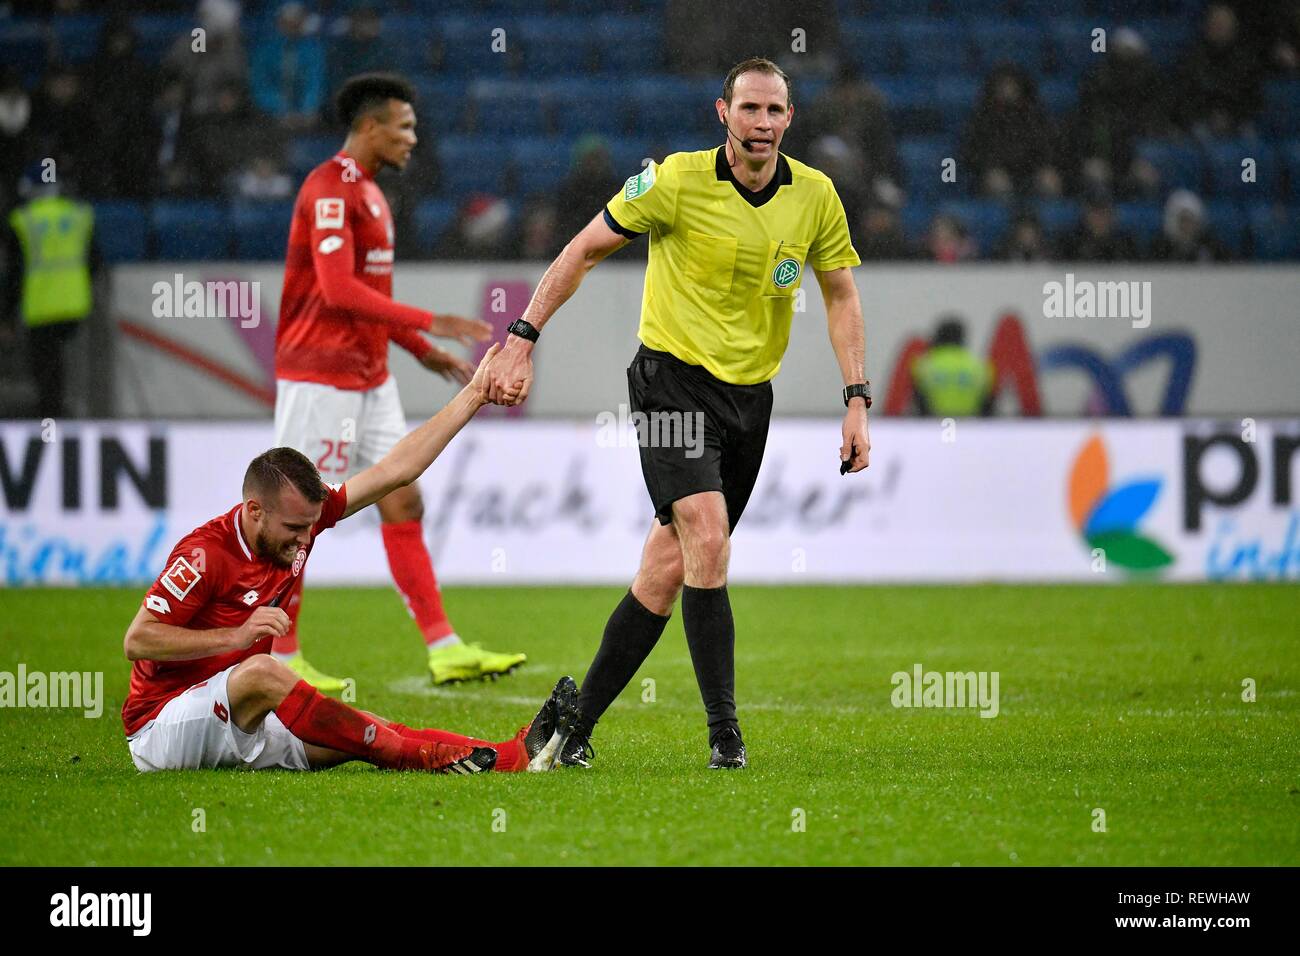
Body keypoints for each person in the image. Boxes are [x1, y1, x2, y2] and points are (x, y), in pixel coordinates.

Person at [488, 58, 870, 770]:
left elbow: (842, 296)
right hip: (668, 384)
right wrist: (522, 336)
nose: (761, 124)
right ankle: (725, 734)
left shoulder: (816, 196)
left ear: (790, 119)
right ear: (721, 112)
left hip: (750, 400)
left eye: (774, 111)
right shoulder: (672, 180)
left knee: (668, 568)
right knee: (706, 529)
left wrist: (856, 399)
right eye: (748, 109)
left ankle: (572, 725)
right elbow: (582, 250)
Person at [122, 347, 581, 774]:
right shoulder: (204, 555)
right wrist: (238, 635)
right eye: (294, 529)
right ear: (254, 511)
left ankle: (514, 756)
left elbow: (396, 470)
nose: (304, 540)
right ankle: (438, 758)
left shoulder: (303, 521)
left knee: (373, 728)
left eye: (311, 527)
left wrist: (475, 395)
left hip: (241, 716)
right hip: (164, 726)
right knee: (266, 672)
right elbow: (139, 639)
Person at [273, 72, 525, 687]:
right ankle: (281, 658)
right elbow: (335, 290)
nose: (414, 138)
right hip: (320, 378)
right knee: (297, 515)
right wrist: (427, 319)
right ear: (369, 125)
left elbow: (366, 298)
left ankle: (444, 647)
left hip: (370, 376)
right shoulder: (328, 188)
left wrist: (419, 348)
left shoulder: (376, 197)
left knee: (405, 496)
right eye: (404, 126)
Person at [3, 167, 97, 418]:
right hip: (75, 303)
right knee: (69, 365)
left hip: (41, 304)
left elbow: (15, 273)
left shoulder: (23, 220)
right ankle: (72, 412)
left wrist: (7, 315)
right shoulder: (78, 214)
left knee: (45, 367)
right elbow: (94, 259)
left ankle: (50, 418)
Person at [909, 317, 995, 417]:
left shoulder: (923, 365)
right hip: (970, 426)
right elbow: (987, 406)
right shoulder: (980, 367)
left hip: (934, 426)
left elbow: (919, 403)